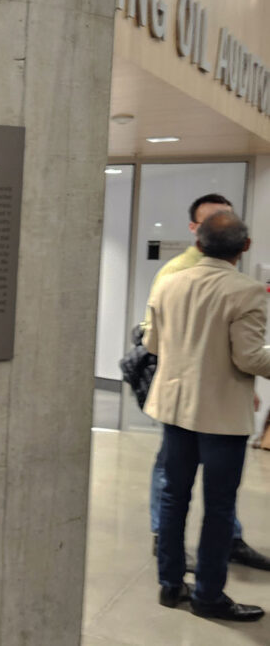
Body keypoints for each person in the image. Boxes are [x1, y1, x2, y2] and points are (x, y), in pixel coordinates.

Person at [145, 210, 270, 621]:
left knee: (173, 496)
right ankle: (209, 596)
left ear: (199, 244)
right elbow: (249, 357)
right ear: (245, 247)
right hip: (220, 416)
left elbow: (153, 343)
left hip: (174, 408)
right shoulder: (247, 292)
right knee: (218, 507)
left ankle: (169, 585)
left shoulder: (169, 283)